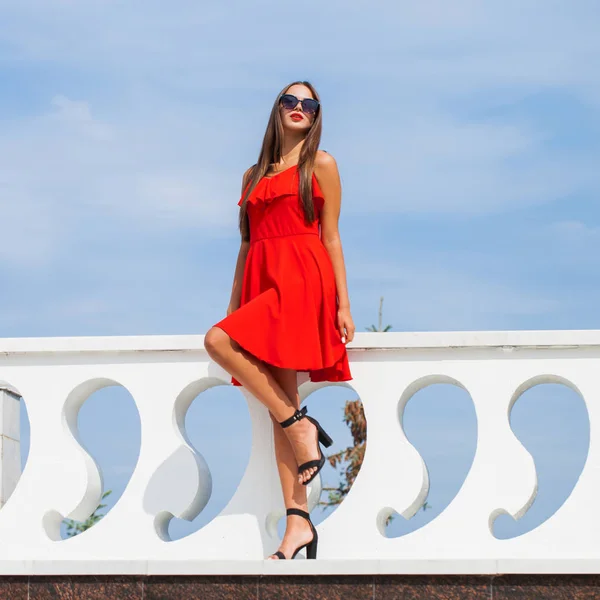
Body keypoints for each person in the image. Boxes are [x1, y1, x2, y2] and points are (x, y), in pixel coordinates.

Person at [204, 80, 355, 560]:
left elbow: (331, 236)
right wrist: (234, 307)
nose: (299, 109)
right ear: (276, 110)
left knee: (220, 346)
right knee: (280, 403)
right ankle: (298, 524)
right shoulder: (252, 175)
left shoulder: (322, 164)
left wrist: (343, 305)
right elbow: (246, 244)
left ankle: (298, 427)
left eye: (309, 105)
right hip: (260, 280)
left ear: (315, 117)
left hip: (302, 278)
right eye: (290, 101)